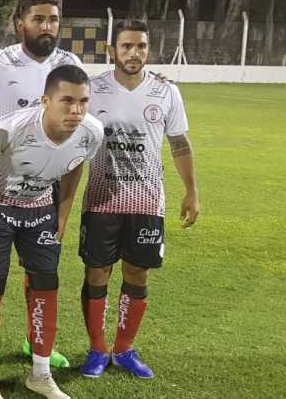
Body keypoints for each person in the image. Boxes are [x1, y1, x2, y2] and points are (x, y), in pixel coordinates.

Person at [0, 64, 103, 399]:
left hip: (41, 209)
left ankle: (40, 374)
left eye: (83, 101)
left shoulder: (92, 131)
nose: (76, 110)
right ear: (46, 100)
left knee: (46, 285)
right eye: (67, 101)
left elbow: (74, 166)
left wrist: (62, 214)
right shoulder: (10, 129)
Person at [79, 19, 200, 380]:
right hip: (101, 199)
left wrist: (192, 191)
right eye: (127, 46)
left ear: (148, 50)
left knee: (137, 272)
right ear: (112, 50)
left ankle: (125, 349)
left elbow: (179, 143)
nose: (134, 53)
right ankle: (98, 349)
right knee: (97, 273)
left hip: (147, 201)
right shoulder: (93, 89)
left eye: (141, 46)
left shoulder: (166, 93)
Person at [0, 0, 78, 369]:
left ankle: (37, 344)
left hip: (44, 184)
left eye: (53, 19)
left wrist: (64, 212)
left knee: (41, 272)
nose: (46, 26)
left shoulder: (70, 63)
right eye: (38, 19)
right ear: (20, 22)